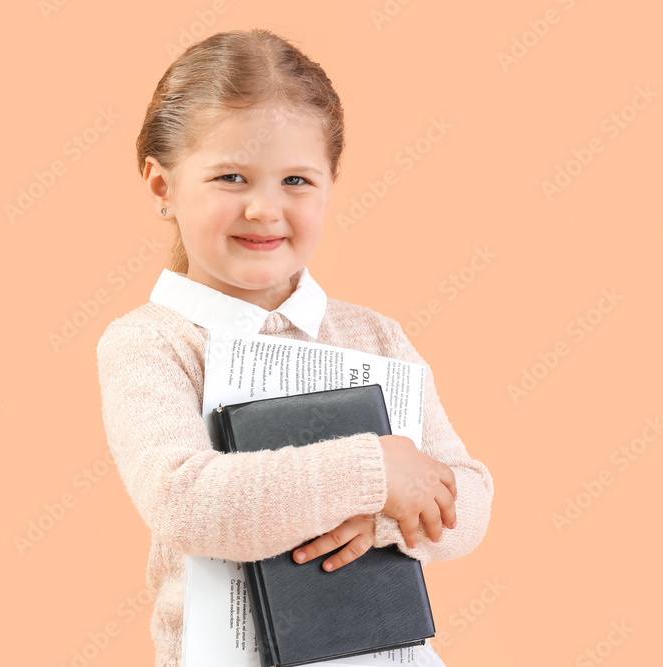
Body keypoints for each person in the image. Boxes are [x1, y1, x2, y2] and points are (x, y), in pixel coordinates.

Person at [95, 27, 494, 667]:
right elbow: (190, 504)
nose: (264, 209)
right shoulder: (151, 344)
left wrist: (384, 520)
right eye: (231, 176)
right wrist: (374, 473)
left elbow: (468, 496)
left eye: (296, 181)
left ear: (331, 182)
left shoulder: (375, 336)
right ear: (161, 186)